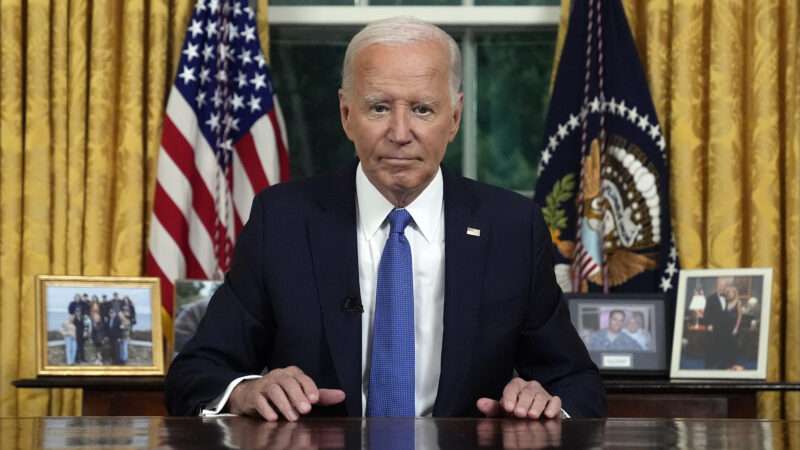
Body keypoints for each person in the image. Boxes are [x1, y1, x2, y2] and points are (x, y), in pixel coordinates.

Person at [166, 16, 605, 421]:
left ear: (454, 118)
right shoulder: (282, 221)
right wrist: (246, 391)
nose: (399, 133)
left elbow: (576, 384)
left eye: (422, 109)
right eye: (378, 108)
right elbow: (198, 372)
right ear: (346, 115)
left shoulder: (512, 227)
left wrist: (545, 403)